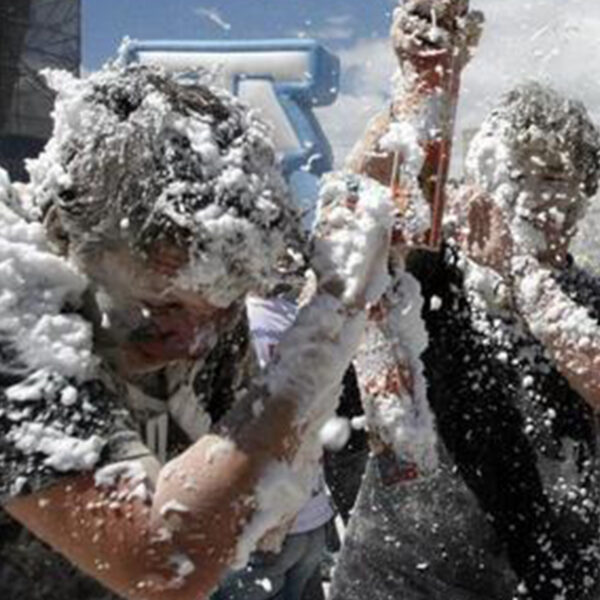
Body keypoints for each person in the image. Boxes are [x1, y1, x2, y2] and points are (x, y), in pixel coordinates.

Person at [0, 64, 396, 600]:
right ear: (64, 234)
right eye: (161, 306)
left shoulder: (204, 311)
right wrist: (327, 330)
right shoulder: (13, 294)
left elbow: (262, 515)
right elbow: (163, 563)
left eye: (220, 309)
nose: (195, 341)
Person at [331, 3, 600, 600]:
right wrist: (421, 80)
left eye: (554, 176)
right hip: (403, 580)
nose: (533, 197)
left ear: (585, 194)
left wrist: (517, 270)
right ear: (489, 178)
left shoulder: (588, 305)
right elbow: (365, 213)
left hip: (552, 580)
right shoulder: (437, 277)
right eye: (518, 175)